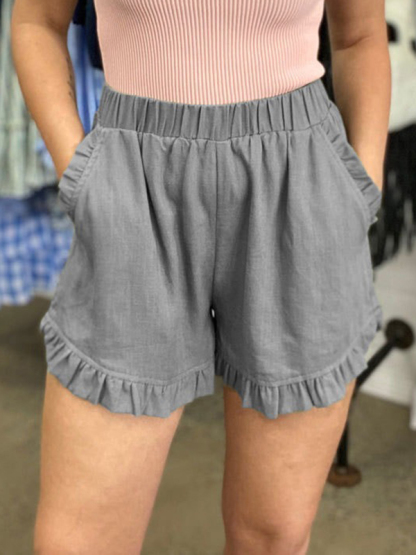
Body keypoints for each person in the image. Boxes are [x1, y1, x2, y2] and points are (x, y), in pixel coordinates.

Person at [11, 1, 391, 553]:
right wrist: (82, 178)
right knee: (77, 543)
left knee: (272, 536)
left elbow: (359, 37)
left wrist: (360, 190)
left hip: (298, 187)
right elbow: (35, 23)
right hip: (134, 183)